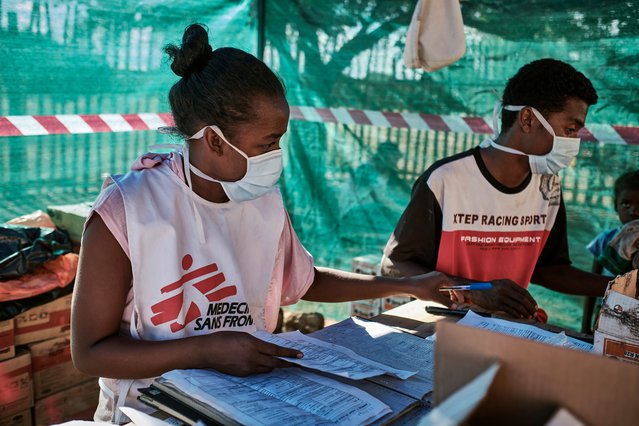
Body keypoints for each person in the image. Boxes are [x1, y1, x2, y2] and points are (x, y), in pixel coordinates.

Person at [70, 23, 458, 423]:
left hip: (247, 400)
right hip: (147, 409)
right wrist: (206, 349)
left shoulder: (260, 199)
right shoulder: (128, 209)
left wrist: (410, 285)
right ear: (216, 141)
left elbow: (304, 279)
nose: (276, 154)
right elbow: (89, 352)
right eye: (267, 143)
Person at [381, 58, 611, 321]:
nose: (573, 142)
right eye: (570, 129)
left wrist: (619, 287)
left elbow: (549, 269)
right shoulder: (447, 180)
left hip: (507, 330)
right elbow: (394, 266)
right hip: (440, 330)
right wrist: (470, 291)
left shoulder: (548, 187)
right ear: (527, 119)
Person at [582, 170, 639, 331]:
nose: (633, 211)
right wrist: (585, 324)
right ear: (616, 204)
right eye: (626, 203)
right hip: (605, 314)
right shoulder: (606, 241)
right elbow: (590, 285)